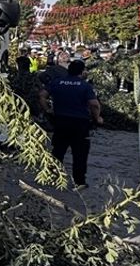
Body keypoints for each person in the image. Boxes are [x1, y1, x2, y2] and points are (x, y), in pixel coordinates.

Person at [39, 60, 103, 189]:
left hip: (60, 121)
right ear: (82, 71)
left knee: (58, 151)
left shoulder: (56, 82)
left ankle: (52, 177)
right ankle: (79, 182)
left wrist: (48, 109)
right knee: (80, 154)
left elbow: (42, 95)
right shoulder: (84, 85)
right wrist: (98, 118)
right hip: (80, 124)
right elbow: (94, 105)